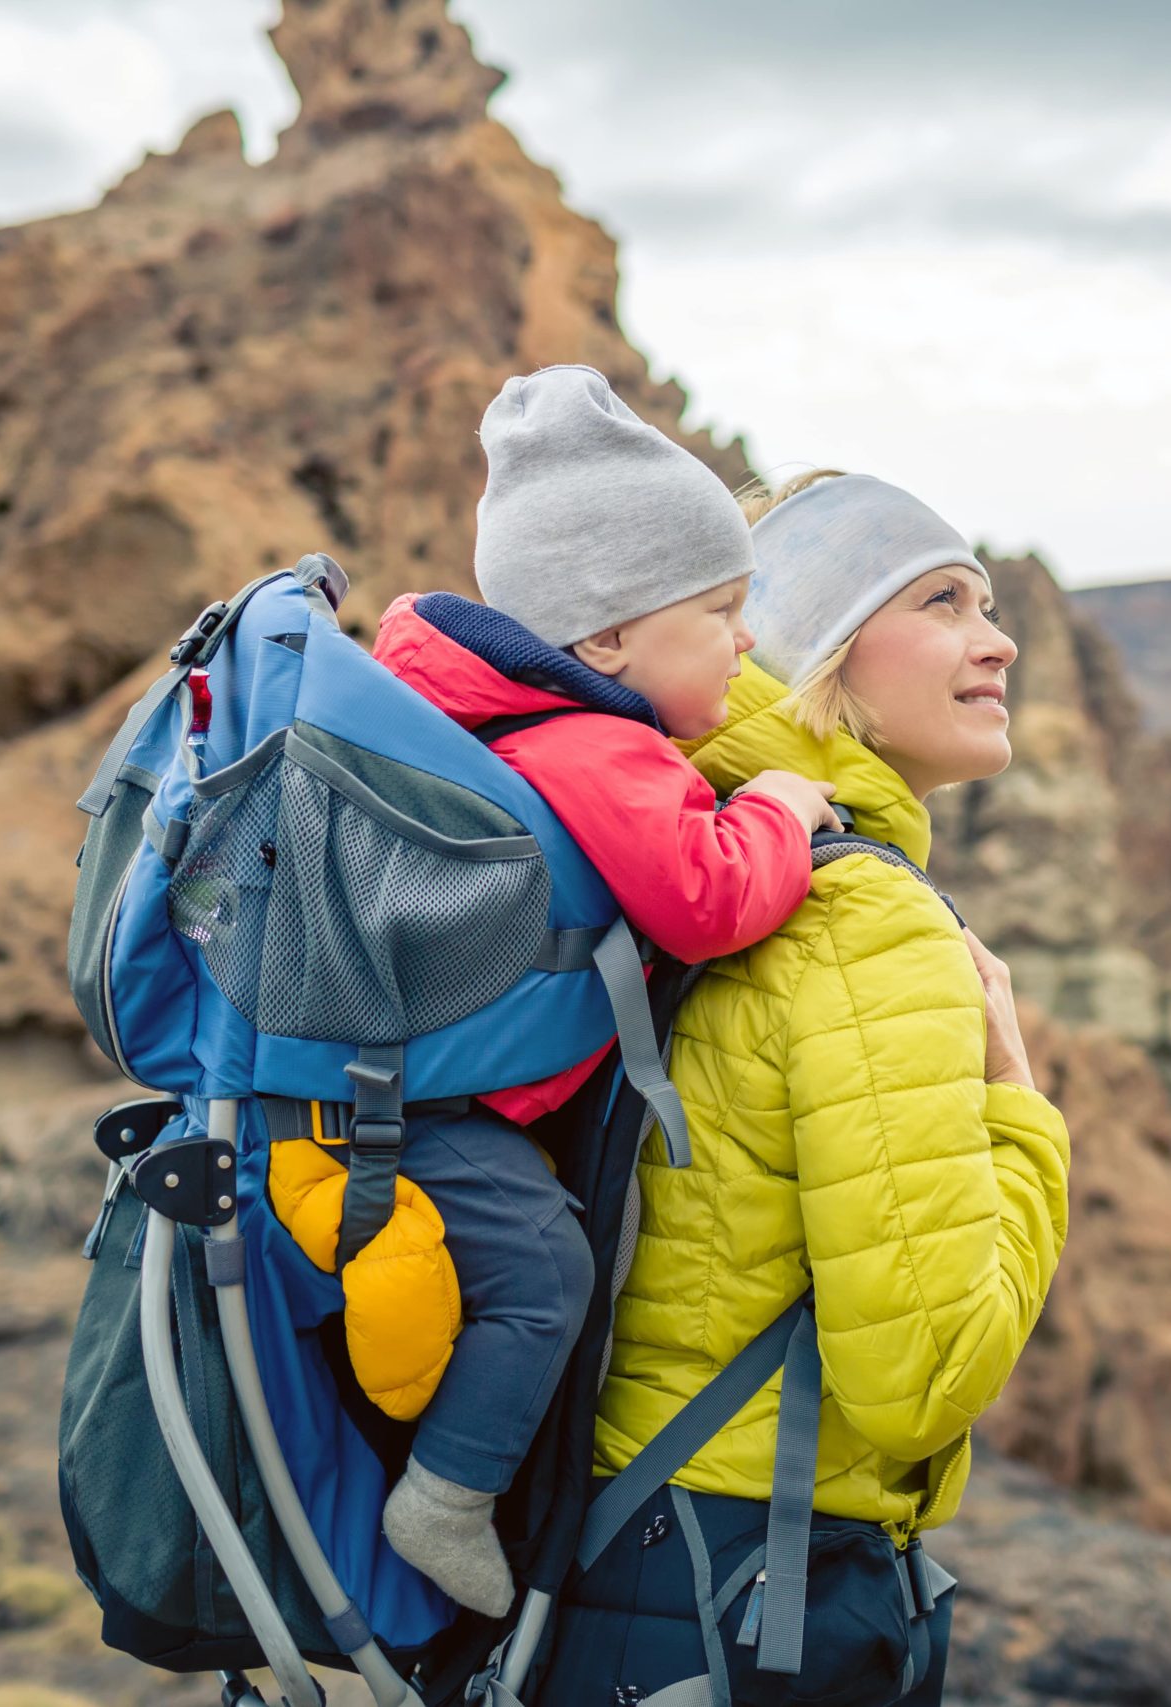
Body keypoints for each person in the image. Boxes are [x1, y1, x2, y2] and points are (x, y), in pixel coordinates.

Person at [268, 367, 839, 1618]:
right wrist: (781, 809)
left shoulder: (505, 713)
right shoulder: (598, 746)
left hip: (386, 1088)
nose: (746, 643)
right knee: (546, 1277)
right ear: (607, 642)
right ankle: (447, 1500)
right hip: (419, 1116)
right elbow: (704, 899)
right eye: (720, 611)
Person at [538, 468, 1073, 1702]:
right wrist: (1025, 1113)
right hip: (752, 1591)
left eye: (986, 603)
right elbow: (923, 1379)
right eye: (940, 601)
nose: (996, 642)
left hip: (619, 1560)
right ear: (819, 650)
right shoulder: (863, 918)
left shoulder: (704, 858)